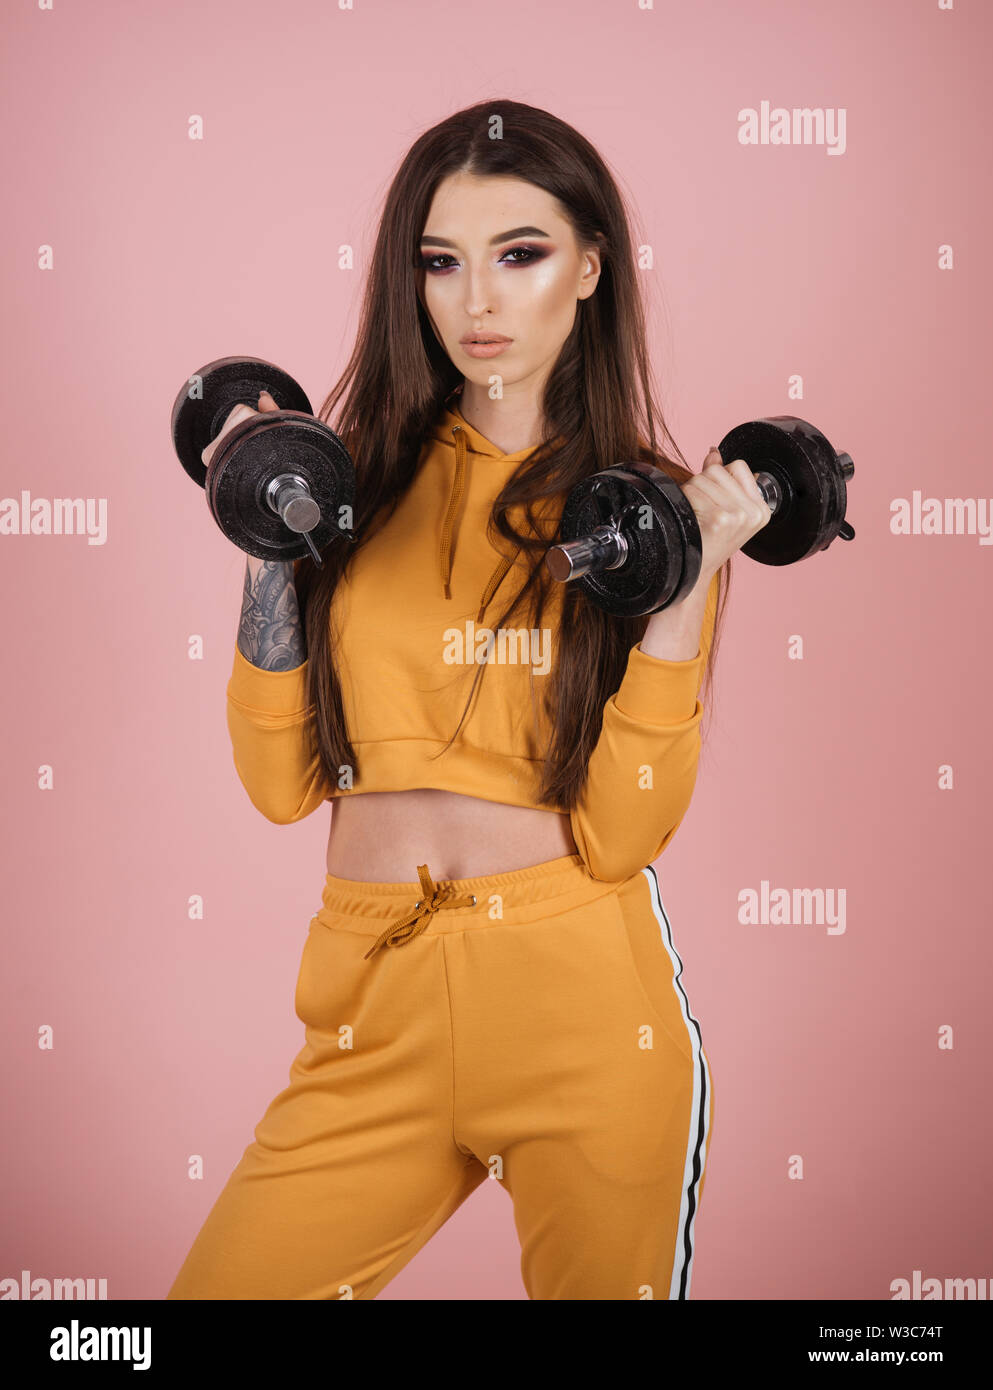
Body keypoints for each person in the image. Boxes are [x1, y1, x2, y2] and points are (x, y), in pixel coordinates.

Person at [167, 99, 770, 1302]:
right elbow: (280, 786)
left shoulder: (647, 514)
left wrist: (686, 592)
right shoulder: (342, 486)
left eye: (521, 254)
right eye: (441, 262)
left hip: (581, 1010)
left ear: (591, 266)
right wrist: (263, 536)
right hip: (371, 1003)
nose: (476, 303)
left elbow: (623, 834)